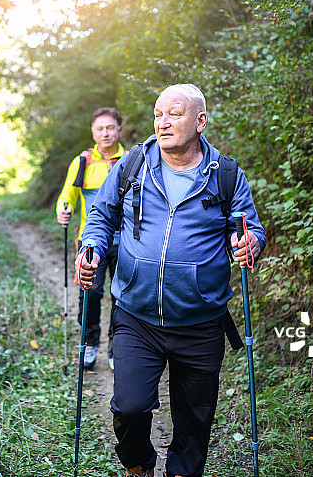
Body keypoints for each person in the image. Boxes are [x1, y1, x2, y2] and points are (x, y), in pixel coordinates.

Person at [75, 84, 265, 477]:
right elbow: (101, 216)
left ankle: (181, 472)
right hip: (136, 316)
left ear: (200, 121)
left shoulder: (226, 175)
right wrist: (91, 246)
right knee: (129, 407)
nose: (163, 123)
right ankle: (139, 464)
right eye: (158, 114)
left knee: (195, 420)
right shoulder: (131, 166)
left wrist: (249, 243)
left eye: (174, 114)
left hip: (200, 321)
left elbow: (250, 229)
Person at [56, 107, 125, 370]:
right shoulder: (82, 162)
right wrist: (63, 211)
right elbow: (67, 196)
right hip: (91, 242)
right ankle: (89, 342)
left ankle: (116, 346)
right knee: (91, 293)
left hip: (125, 243)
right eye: (100, 128)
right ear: (93, 132)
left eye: (110, 127)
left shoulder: (131, 160)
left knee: (122, 297)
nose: (105, 133)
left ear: (119, 129)